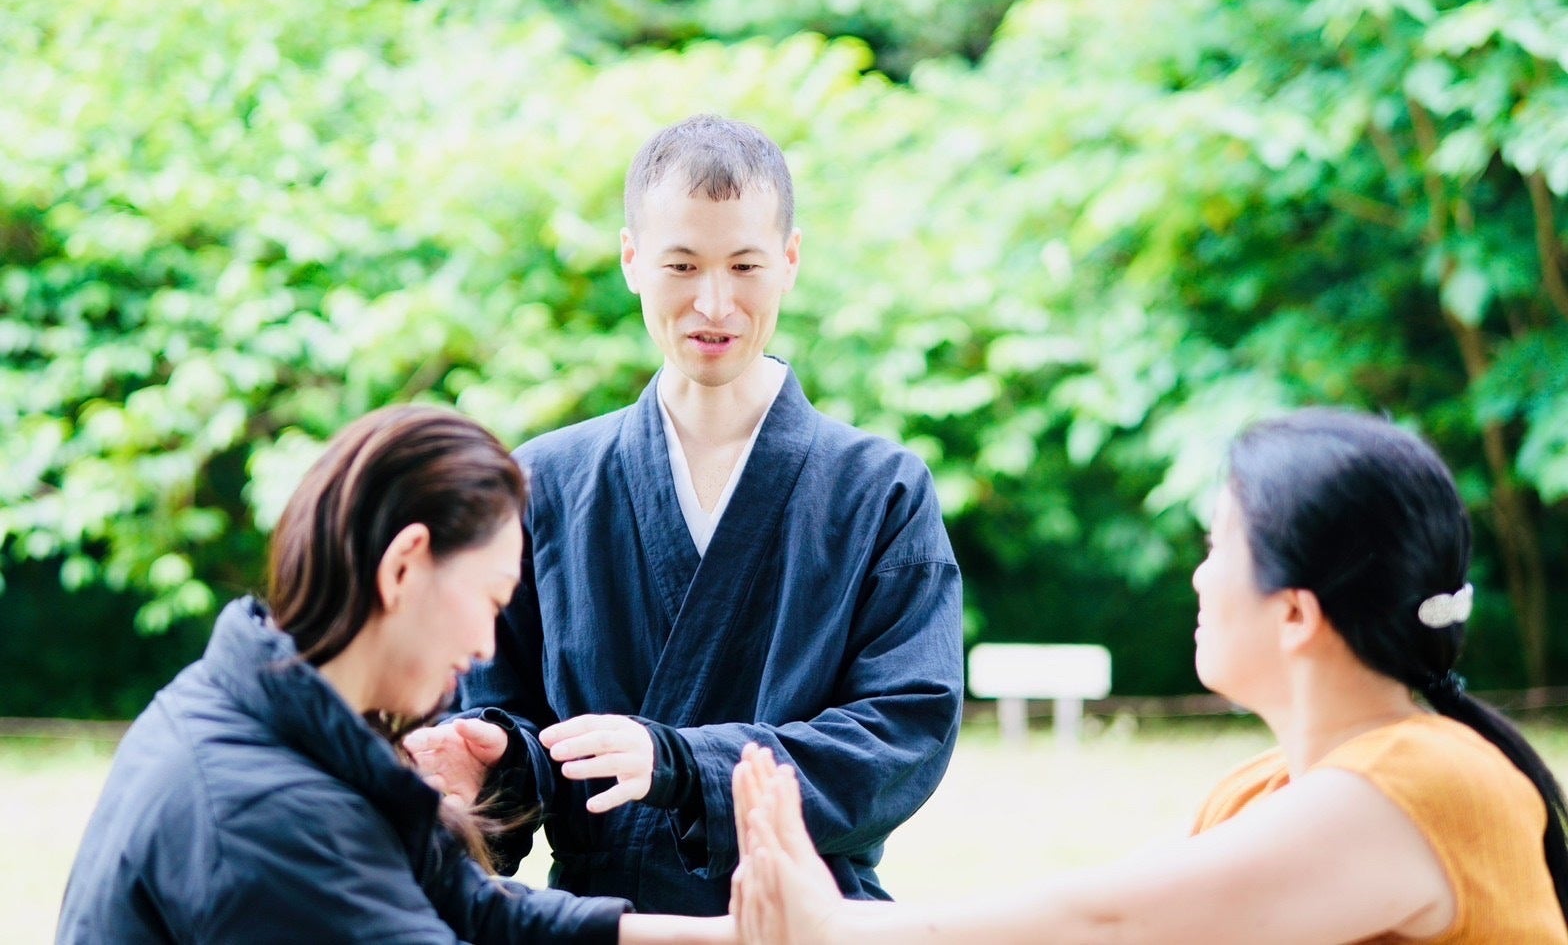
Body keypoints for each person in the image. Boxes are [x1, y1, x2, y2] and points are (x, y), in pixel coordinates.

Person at [730, 408, 1568, 944]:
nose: (1199, 577)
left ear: (1295, 614)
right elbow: (1093, 907)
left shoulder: (1423, 782)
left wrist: (835, 925)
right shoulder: (1264, 791)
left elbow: (1108, 921)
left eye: (1217, 547)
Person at [406, 114, 965, 916]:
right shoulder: (543, 482)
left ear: (790, 260)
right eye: (682, 265)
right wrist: (496, 765)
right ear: (632, 260)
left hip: (803, 921)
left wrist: (681, 764)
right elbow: (506, 727)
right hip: (604, 925)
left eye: (745, 265)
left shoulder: (880, 491)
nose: (714, 302)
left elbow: (902, 735)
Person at [57, 405, 730, 944]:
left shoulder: (279, 719)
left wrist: (735, 934)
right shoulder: (264, 811)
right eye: (490, 600)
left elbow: (477, 910)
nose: (485, 646)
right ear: (404, 565)